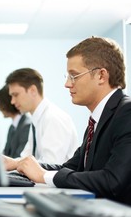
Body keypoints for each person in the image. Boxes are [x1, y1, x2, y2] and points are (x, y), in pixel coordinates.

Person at [10, 37, 131, 205]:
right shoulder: (97, 120)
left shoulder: (126, 112)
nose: (67, 84)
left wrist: (43, 176)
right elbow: (71, 168)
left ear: (101, 75)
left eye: (74, 76)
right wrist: (23, 167)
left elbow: (113, 180)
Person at [4, 68, 78, 165]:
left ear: (33, 90)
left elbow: (50, 165)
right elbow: (26, 158)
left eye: (16, 95)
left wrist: (14, 164)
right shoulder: (36, 121)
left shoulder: (53, 118)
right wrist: (7, 162)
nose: (12, 101)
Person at [0, 84, 31, 158]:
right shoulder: (12, 127)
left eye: (0, 104)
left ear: (7, 103)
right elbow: (5, 154)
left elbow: (19, 158)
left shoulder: (26, 126)